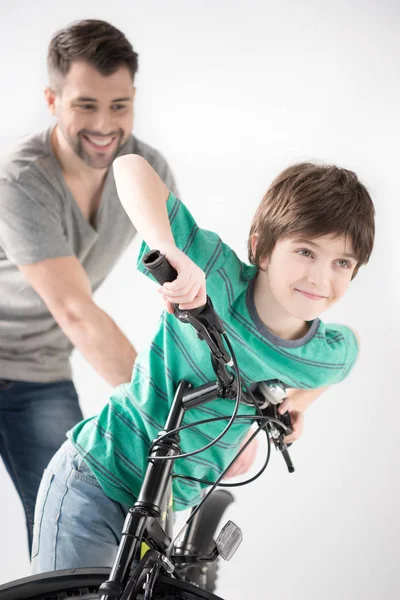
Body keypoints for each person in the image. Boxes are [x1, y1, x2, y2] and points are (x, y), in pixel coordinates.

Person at [31, 155, 375, 572]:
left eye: (342, 262)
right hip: (97, 473)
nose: (321, 279)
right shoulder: (212, 272)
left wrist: (299, 405)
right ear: (260, 249)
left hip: (162, 514)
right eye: (305, 251)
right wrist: (168, 247)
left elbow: (349, 351)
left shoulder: (318, 354)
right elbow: (128, 167)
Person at [0, 19, 180, 554]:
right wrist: (163, 413)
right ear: (52, 100)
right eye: (85, 105)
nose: (104, 124)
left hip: (37, 373)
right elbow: (76, 310)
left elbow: (184, 290)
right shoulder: (20, 180)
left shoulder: (148, 173)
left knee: (71, 534)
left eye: (119, 105)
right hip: (45, 341)